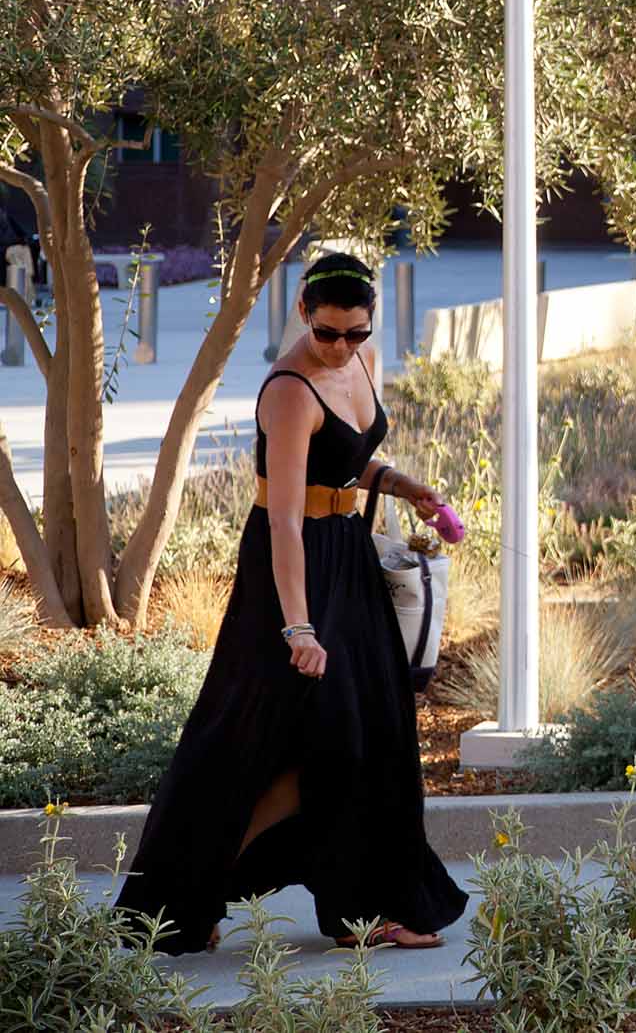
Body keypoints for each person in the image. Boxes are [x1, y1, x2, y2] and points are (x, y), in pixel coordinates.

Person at [116, 252, 467, 954]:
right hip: (291, 571)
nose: (341, 345)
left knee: (370, 732)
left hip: (347, 557)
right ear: (304, 308)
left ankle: (366, 908)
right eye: (329, 331)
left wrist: (402, 486)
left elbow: (344, 459)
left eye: (356, 333)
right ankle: (181, 898)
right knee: (247, 738)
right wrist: (298, 625)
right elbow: (282, 518)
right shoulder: (289, 389)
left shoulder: (360, 364)